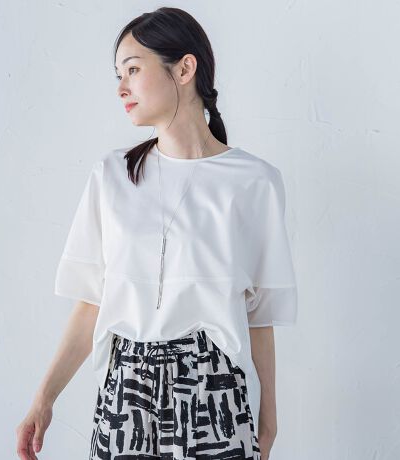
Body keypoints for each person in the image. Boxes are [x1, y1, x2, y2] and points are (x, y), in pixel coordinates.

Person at [16, 6, 298, 460]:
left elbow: (258, 315)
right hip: (127, 393)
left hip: (215, 394)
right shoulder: (112, 176)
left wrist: (269, 418)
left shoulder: (255, 182)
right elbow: (92, 303)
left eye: (132, 69)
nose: (121, 88)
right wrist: (44, 399)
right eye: (118, 74)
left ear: (184, 69)